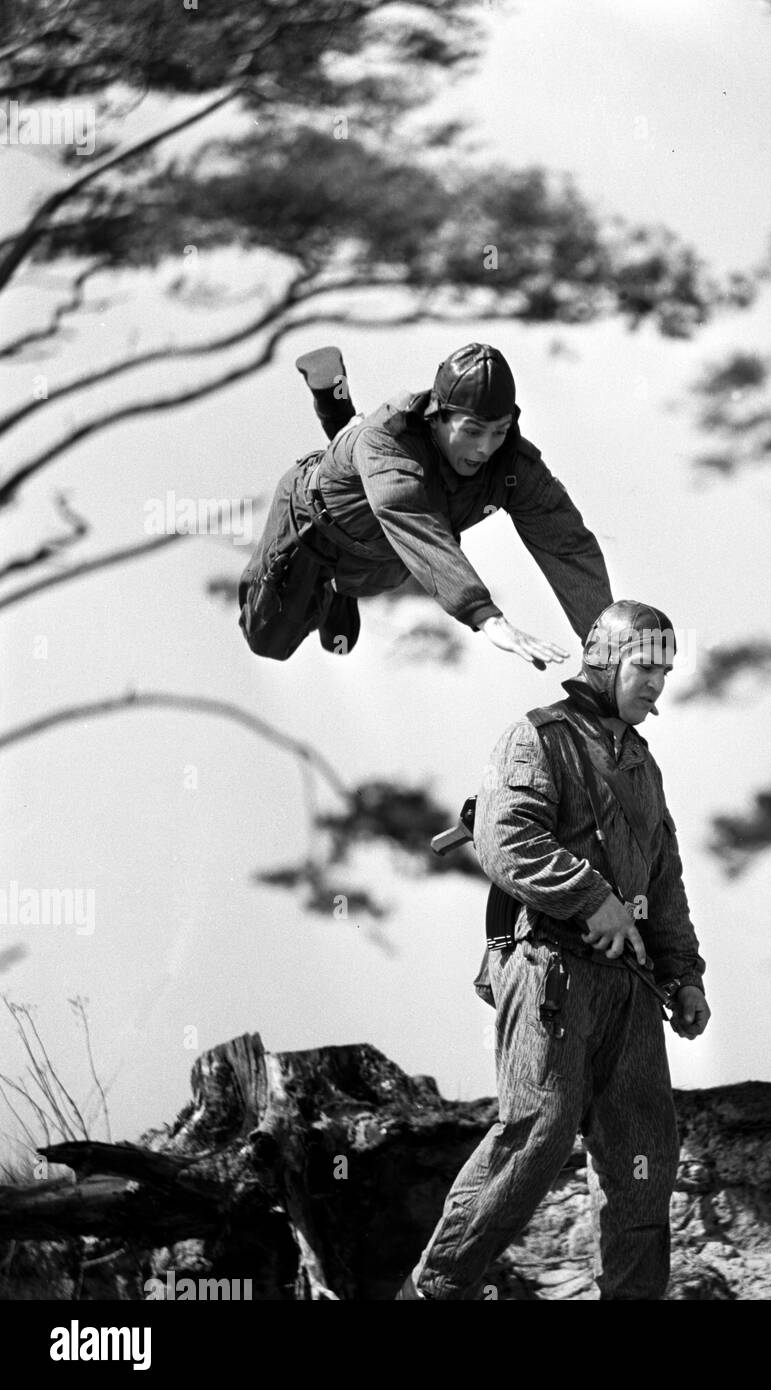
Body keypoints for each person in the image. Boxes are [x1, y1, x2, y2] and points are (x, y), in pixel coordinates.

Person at [399, 600, 710, 1301]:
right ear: (604, 659)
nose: (657, 682)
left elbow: (664, 883)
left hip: (627, 989)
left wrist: (684, 975)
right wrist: (589, 895)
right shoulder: (539, 739)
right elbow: (505, 840)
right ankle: (434, 1291)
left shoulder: (641, 765)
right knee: (537, 1134)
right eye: (644, 665)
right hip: (549, 971)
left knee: (643, 1156)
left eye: (666, 669)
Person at [237, 342, 612, 667]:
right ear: (436, 418)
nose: (485, 448)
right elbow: (412, 518)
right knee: (269, 641)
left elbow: (567, 545)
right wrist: (487, 617)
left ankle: (339, 588)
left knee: (386, 556)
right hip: (314, 523)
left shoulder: (511, 464)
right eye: (472, 431)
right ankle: (334, 407)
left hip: (385, 555)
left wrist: (607, 648)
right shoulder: (387, 443)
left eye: (498, 431)